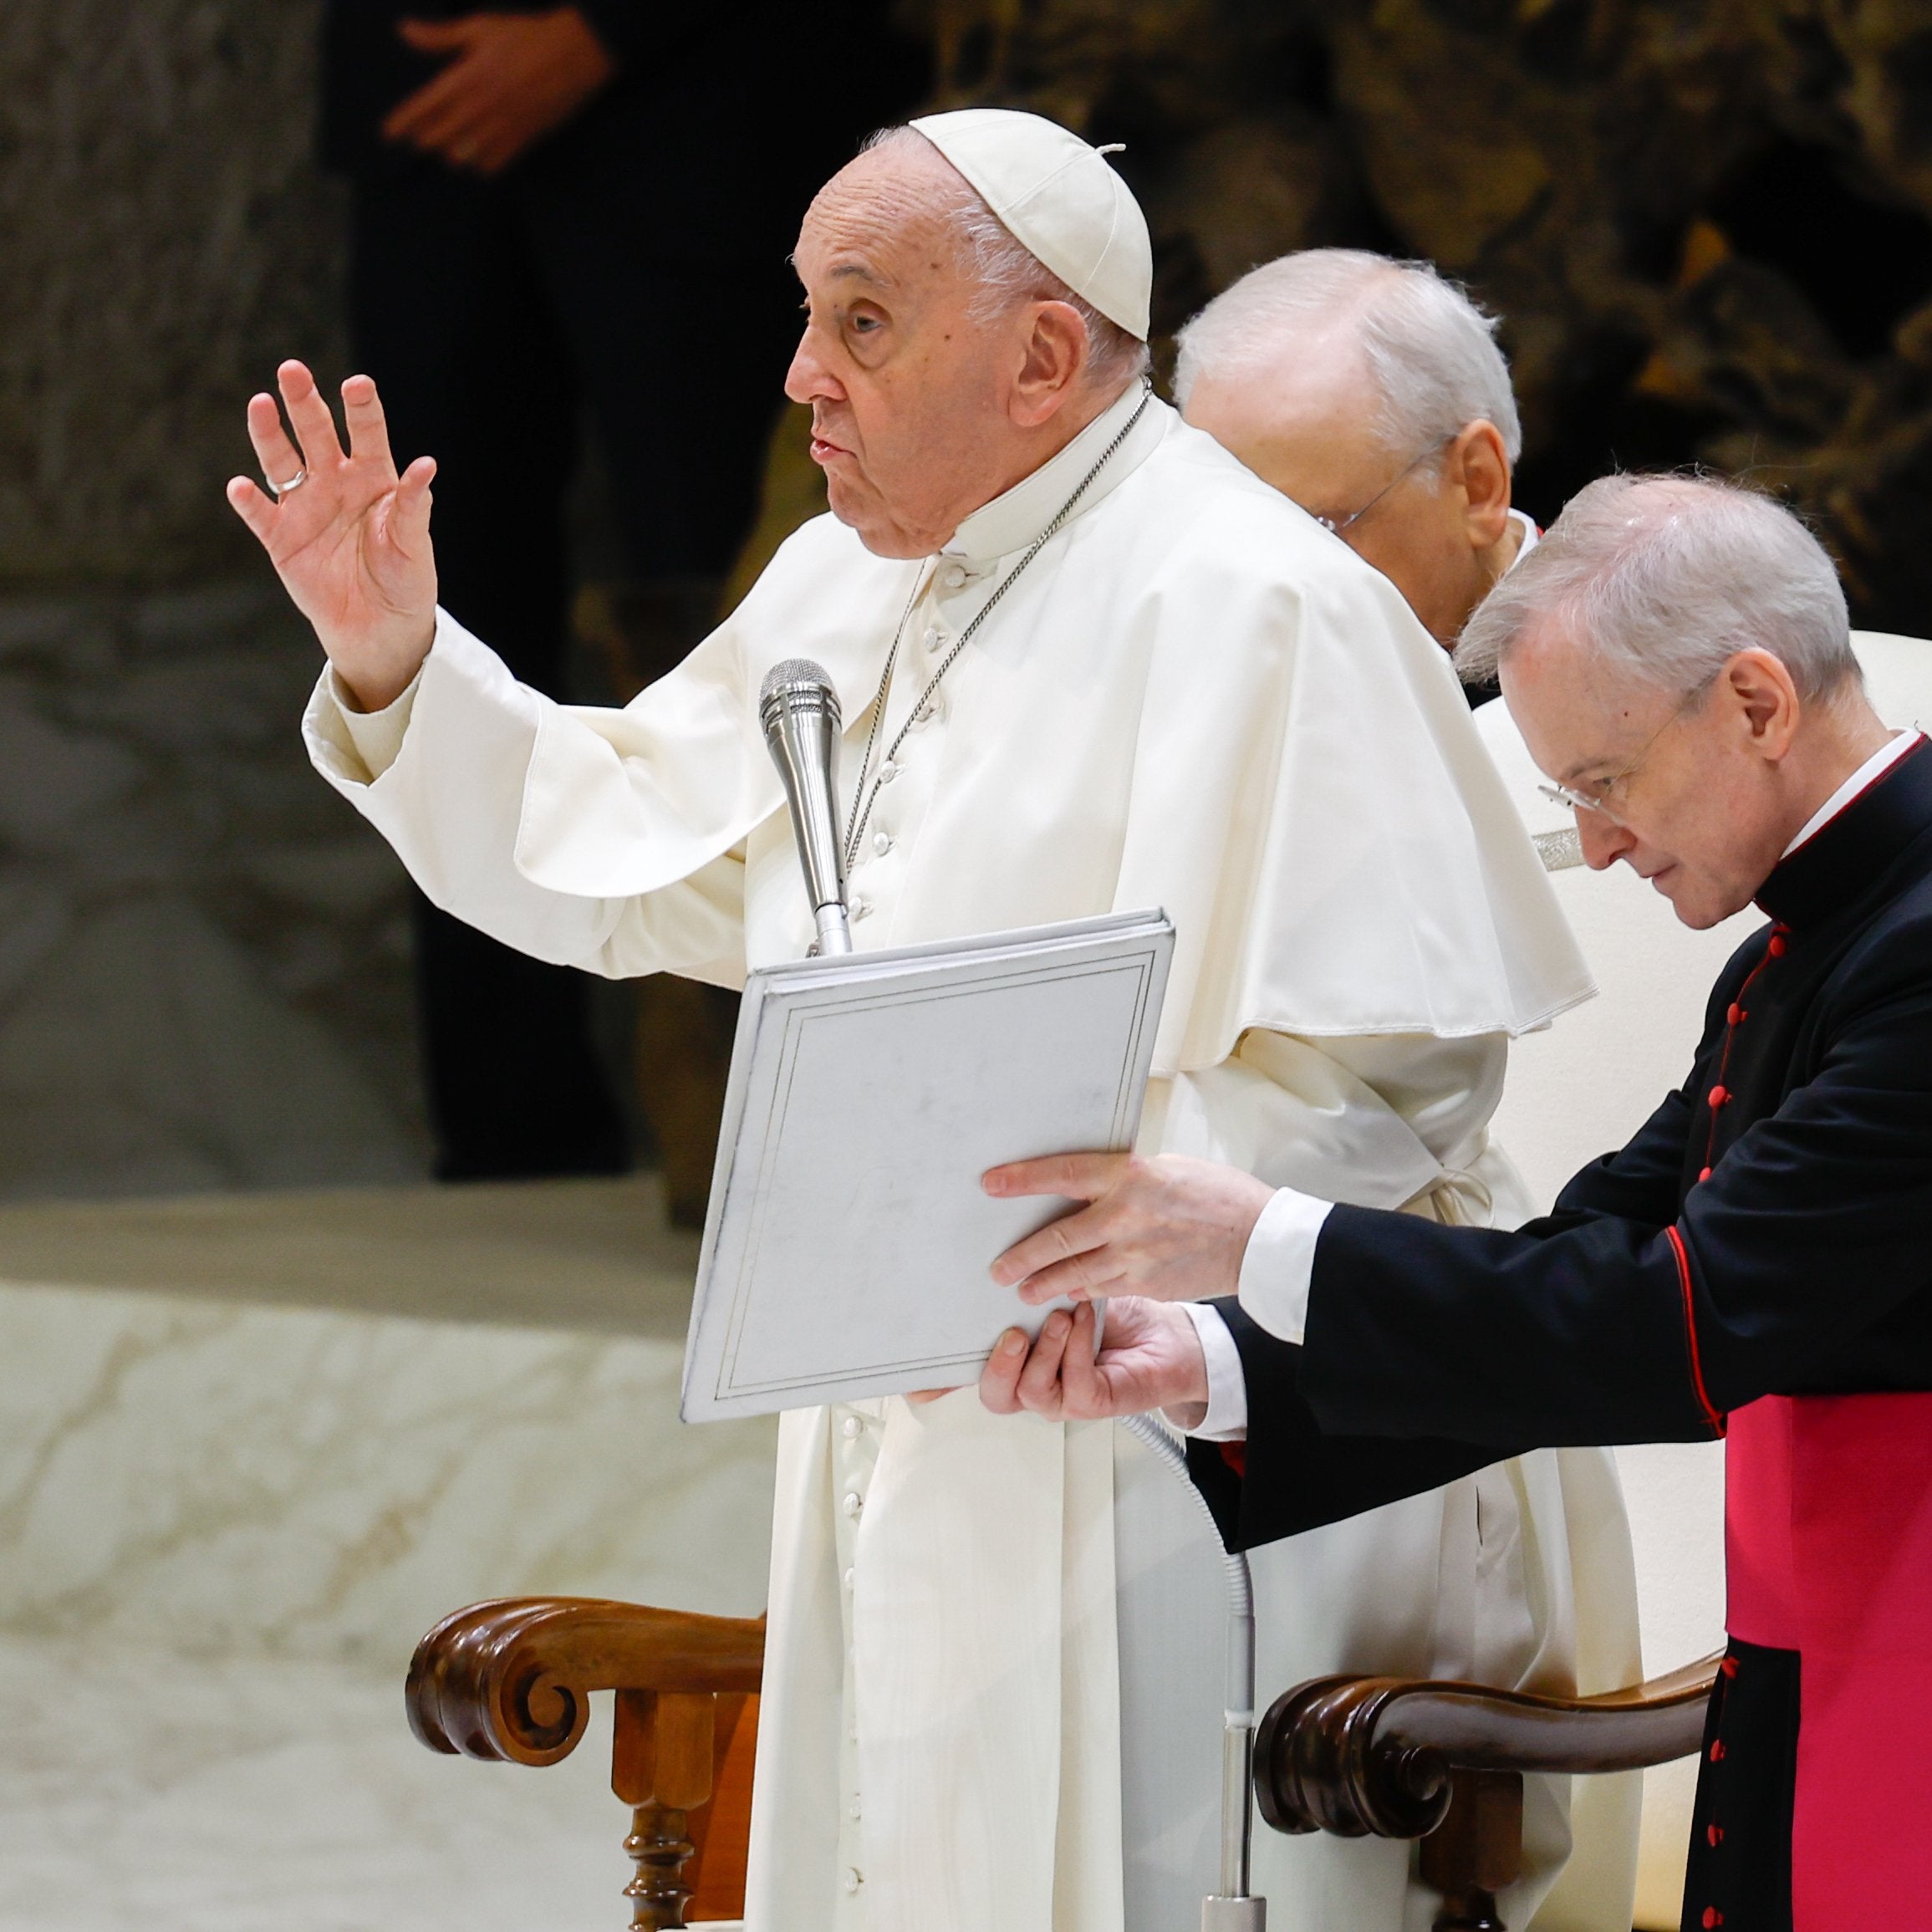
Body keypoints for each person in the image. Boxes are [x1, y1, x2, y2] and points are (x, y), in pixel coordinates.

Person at [229, 110, 1619, 1931]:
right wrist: (396, 659)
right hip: (911, 1403)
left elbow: (1393, 1066)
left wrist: (1091, 1246)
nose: (802, 373)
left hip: (1181, 1421)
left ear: (1045, 356)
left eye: (864, 322)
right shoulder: (849, 574)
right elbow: (639, 863)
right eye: (806, 314)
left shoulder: (1258, 596)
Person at [976, 473, 1928, 1932]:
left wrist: (1259, 1232)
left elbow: (1679, 1320)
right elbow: (1576, 1263)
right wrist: (1214, 1355)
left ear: (1753, 701)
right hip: (1826, 1641)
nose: (1597, 845)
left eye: (1604, 781)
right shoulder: (1791, 959)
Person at [319, 0, 905, 1179]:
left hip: (699, 112)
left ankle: (780, 1121)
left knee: (740, 607)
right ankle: (507, 1126)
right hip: (428, 119)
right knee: (427, 594)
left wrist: (607, 31)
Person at [1175, 250, 1532, 700]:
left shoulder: (1620, 693)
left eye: (1319, 532)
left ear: (1478, 485)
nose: (1261, 595)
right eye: (1227, 537)